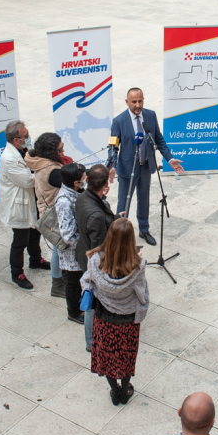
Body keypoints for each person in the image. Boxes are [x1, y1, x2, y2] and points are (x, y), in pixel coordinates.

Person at [83, 218, 149, 405]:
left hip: (104, 318)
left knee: (107, 357)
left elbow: (87, 282)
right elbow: (141, 292)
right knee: (126, 358)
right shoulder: (138, 265)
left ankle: (114, 391)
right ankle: (125, 390)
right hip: (128, 321)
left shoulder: (95, 260)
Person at [110, 88, 184, 245]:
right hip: (127, 169)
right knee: (123, 203)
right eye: (134, 102)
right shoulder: (118, 121)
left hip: (145, 167)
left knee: (144, 201)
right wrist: (112, 166)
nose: (138, 105)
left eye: (140, 101)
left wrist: (169, 159)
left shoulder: (150, 115)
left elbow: (158, 139)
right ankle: (118, 235)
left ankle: (144, 230)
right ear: (127, 102)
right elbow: (113, 147)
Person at [0, 120, 49, 290]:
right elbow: (27, 180)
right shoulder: (8, 158)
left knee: (35, 232)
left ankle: (36, 259)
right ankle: (17, 273)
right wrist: (45, 173)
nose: (28, 137)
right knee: (20, 240)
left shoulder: (24, 150)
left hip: (31, 200)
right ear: (16, 140)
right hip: (18, 204)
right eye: (25, 136)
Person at [76, 164, 117, 351]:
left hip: (82, 251)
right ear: (105, 184)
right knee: (92, 302)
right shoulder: (97, 216)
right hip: (93, 263)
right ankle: (90, 342)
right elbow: (98, 249)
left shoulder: (83, 196)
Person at [25, 132, 68, 297]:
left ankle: (60, 279)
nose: (63, 152)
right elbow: (75, 185)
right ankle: (57, 284)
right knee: (60, 250)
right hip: (55, 216)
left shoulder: (40, 162)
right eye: (60, 149)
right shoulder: (52, 171)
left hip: (48, 212)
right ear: (51, 152)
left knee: (59, 250)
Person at [55, 162, 87, 323]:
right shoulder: (64, 202)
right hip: (71, 253)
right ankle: (73, 312)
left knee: (78, 281)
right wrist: (84, 243)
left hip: (79, 252)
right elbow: (68, 235)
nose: (86, 180)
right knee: (72, 283)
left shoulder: (76, 192)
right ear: (76, 182)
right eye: (84, 178)